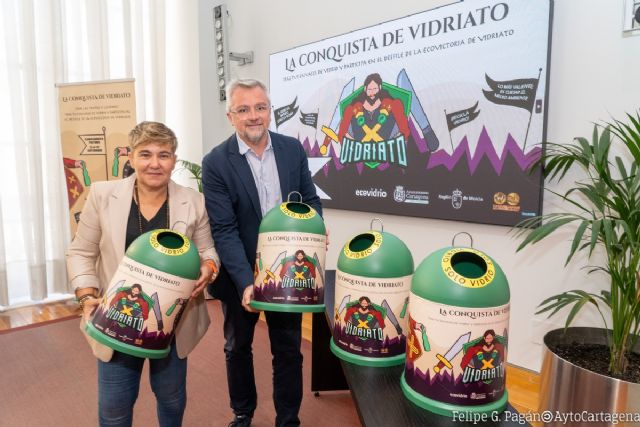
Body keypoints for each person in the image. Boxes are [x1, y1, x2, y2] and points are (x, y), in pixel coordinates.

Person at [66, 121, 220, 427]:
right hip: (116, 318)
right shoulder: (102, 195)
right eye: (145, 154)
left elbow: (208, 251)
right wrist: (86, 297)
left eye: (164, 155)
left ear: (174, 160)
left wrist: (208, 269)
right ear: (132, 158)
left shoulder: (193, 201)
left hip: (171, 323)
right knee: (114, 408)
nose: (154, 163)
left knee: (172, 400)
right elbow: (81, 252)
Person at [202, 78, 322, 427]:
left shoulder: (292, 150)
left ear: (269, 111)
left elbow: (310, 201)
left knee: (288, 350)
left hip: (288, 274)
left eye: (260, 107)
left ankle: (288, 419)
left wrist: (315, 233)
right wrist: (246, 283)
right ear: (230, 116)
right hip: (239, 271)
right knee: (237, 347)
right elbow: (224, 229)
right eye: (243, 109)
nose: (253, 116)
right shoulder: (216, 162)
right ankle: (243, 412)